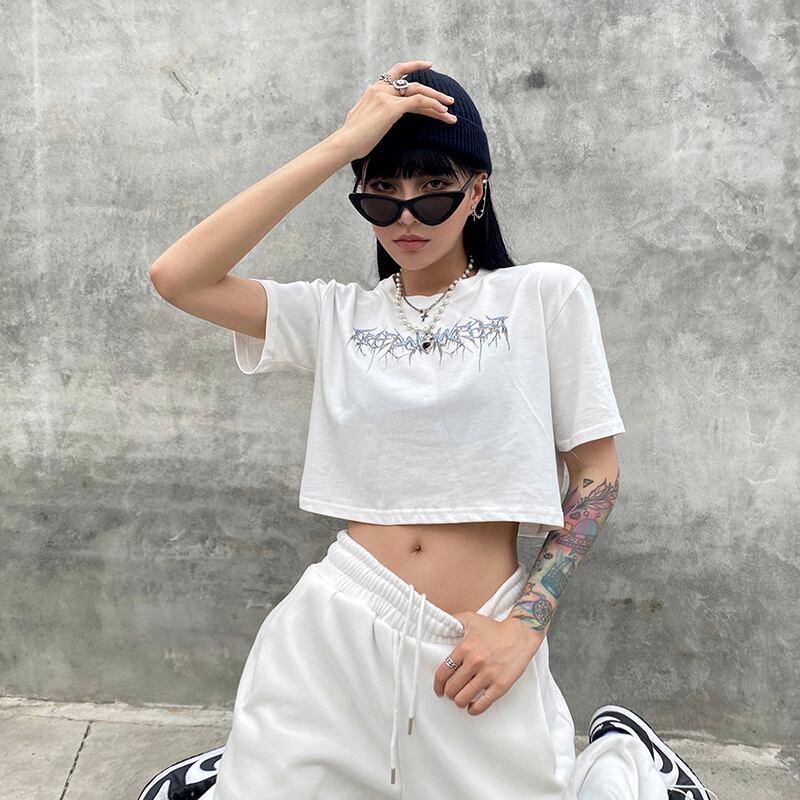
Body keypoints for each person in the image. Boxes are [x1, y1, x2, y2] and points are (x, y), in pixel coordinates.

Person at [139, 61, 717, 800]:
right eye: (382, 194)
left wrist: (525, 626)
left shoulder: (543, 296)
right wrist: (342, 145)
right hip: (335, 626)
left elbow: (596, 473)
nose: (407, 217)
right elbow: (178, 276)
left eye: (435, 189)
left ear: (478, 191)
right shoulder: (337, 314)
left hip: (473, 643)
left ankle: (625, 760)